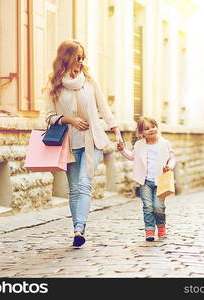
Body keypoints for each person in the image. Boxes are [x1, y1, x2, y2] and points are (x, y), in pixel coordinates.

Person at [45, 40, 123, 248]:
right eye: (77, 57)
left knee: (84, 184)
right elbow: (49, 116)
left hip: (92, 141)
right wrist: (69, 120)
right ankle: (76, 228)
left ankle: (80, 229)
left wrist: (116, 131)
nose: (81, 61)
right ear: (66, 57)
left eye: (83, 57)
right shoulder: (55, 85)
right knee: (73, 189)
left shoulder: (89, 82)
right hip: (69, 143)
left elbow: (104, 108)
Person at [117, 117, 176, 241]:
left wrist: (169, 166)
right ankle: (149, 230)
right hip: (145, 181)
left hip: (161, 180)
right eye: (146, 129)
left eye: (153, 127)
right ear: (141, 133)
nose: (151, 130)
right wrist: (122, 150)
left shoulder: (164, 143)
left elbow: (172, 158)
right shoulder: (139, 145)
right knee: (148, 206)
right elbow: (132, 156)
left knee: (158, 207)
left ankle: (161, 227)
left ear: (157, 127)